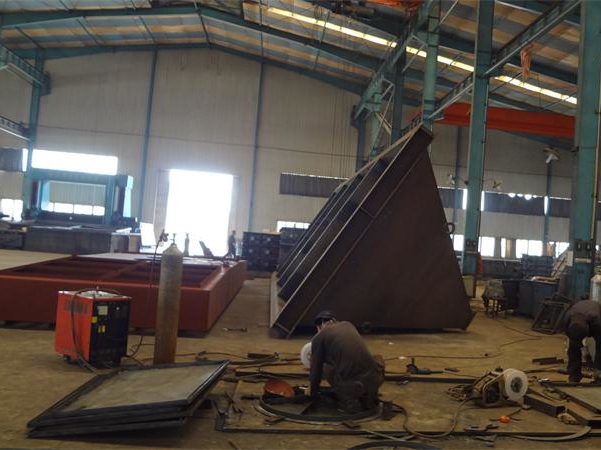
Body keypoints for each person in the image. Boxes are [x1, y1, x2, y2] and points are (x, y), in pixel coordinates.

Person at [309, 311, 384, 412]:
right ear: (335, 320)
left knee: (326, 367)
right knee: (377, 358)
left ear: (319, 325)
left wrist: (312, 396)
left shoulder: (319, 337)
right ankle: (369, 395)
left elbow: (316, 372)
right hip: (377, 379)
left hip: (356, 387)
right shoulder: (348, 324)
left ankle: (349, 400)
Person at [564, 300, 601, 382]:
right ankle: (574, 374)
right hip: (579, 312)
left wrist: (598, 368)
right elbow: (573, 342)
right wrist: (585, 352)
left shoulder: (597, 321)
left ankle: (599, 373)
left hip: (594, 312)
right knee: (573, 348)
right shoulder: (567, 319)